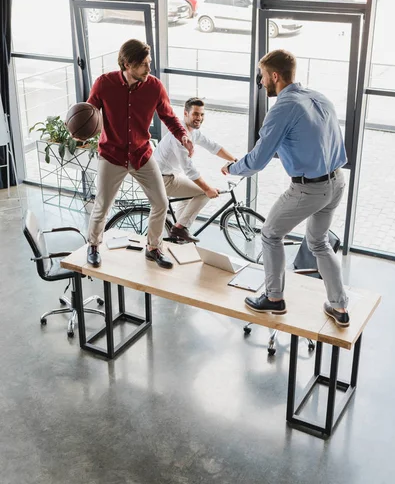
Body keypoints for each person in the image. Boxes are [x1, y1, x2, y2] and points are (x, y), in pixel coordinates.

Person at [221, 49, 350, 327]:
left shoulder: (282, 108)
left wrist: (232, 168)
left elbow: (257, 161)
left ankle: (274, 298)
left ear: (275, 76)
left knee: (270, 234)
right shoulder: (319, 97)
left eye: (263, 76)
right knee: (318, 242)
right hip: (337, 182)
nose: (261, 81)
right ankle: (339, 307)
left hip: (309, 189)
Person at [85, 39, 193, 269]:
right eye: (143, 64)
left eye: (149, 62)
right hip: (111, 155)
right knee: (103, 204)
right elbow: (90, 112)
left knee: (161, 202)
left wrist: (182, 135)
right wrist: (80, 131)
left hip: (141, 154)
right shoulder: (104, 83)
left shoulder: (154, 86)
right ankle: (93, 245)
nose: (148, 68)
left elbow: (169, 116)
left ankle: (153, 248)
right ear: (127, 64)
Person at [153, 97, 237, 243]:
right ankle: (179, 228)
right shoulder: (180, 136)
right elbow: (189, 169)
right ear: (186, 113)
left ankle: (178, 235)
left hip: (169, 176)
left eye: (202, 114)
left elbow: (213, 147)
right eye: (195, 114)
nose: (199, 118)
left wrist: (235, 160)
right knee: (203, 193)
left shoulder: (192, 132)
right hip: (162, 179)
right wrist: (208, 189)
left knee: (189, 196)